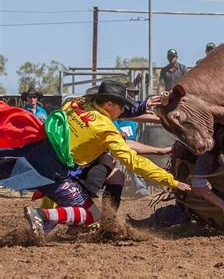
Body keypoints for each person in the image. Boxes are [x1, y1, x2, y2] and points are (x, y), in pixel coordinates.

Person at [0, 80, 191, 240]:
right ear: (108, 105)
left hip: (34, 152)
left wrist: (144, 105)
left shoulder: (76, 104)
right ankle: (43, 215)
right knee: (92, 213)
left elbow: (116, 112)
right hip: (56, 173)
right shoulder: (107, 130)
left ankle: (44, 228)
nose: (123, 110)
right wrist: (171, 180)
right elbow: (134, 162)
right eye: (121, 105)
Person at [128, 125, 224, 235]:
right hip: (188, 173)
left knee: (187, 205)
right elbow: (198, 185)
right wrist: (223, 206)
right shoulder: (205, 153)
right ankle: (148, 224)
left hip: (187, 167)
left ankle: (198, 217)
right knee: (186, 206)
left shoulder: (208, 149)